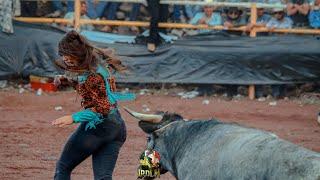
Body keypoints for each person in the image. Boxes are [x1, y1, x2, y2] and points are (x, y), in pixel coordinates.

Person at [52, 30, 135, 180]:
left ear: (78, 53)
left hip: (98, 127)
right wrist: (65, 80)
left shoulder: (93, 74)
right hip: (116, 128)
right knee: (103, 177)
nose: (64, 58)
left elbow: (100, 109)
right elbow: (85, 80)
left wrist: (73, 117)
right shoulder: (94, 65)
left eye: (68, 55)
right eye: (63, 54)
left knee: (63, 168)